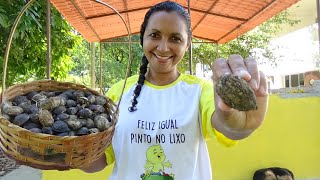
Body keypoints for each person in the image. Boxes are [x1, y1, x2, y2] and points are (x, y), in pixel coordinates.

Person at [17, 1, 269, 179]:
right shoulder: (119, 92)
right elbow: (102, 159)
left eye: (175, 38)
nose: (163, 47)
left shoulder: (199, 90)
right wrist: (64, 154)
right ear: (143, 39)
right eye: (155, 35)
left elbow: (227, 125)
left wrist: (239, 121)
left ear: (187, 44)